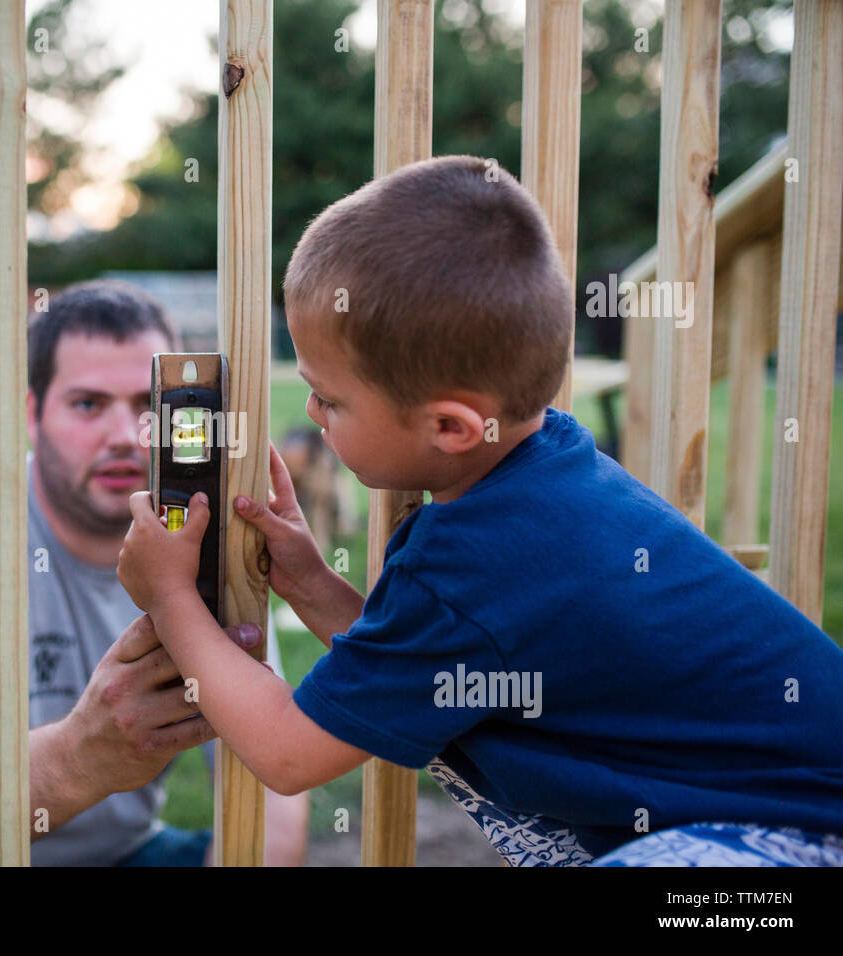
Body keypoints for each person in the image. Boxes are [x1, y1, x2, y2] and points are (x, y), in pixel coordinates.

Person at [117, 155, 843, 867]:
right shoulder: (545, 475)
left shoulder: (477, 557)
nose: (311, 411)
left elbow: (286, 750)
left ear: (452, 429)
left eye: (331, 399)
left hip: (792, 839)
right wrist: (307, 580)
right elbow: (411, 670)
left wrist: (171, 594)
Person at [0, 279, 309, 866]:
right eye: (88, 404)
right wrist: (82, 755)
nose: (126, 437)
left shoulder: (208, 542)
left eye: (148, 407)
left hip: (120, 854)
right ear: (32, 412)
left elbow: (271, 785)